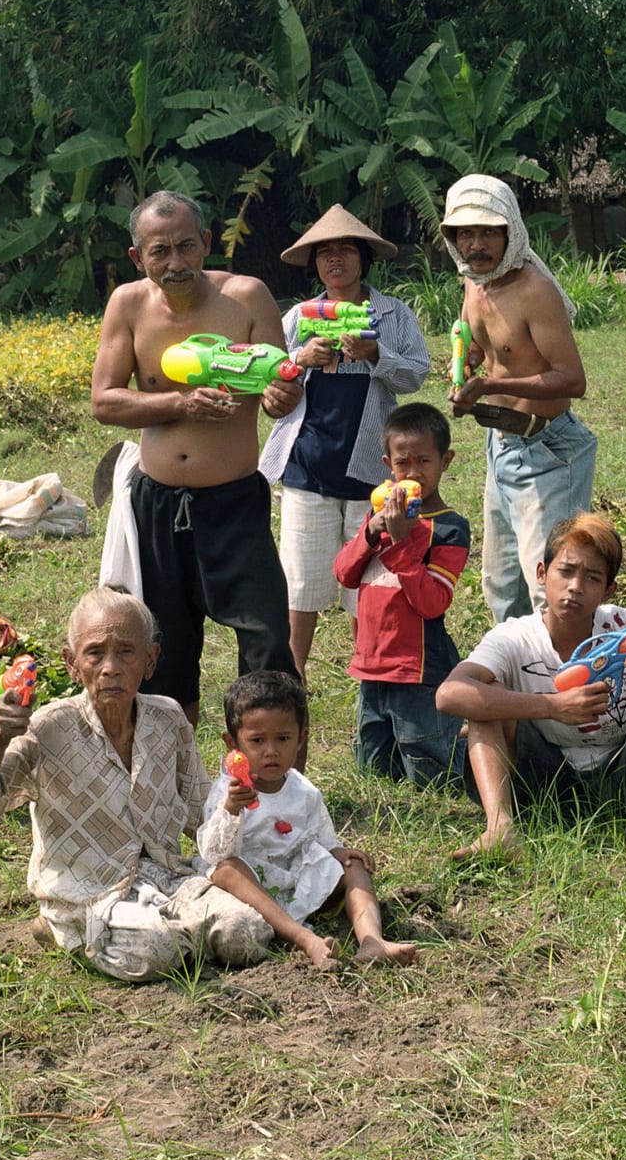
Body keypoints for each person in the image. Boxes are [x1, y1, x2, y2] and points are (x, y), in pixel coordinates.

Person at [0, 589, 276, 983]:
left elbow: (201, 817)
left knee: (248, 933)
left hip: (166, 877)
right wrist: (0, 734)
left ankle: (171, 931)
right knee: (161, 948)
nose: (110, 667)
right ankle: (63, 926)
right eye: (94, 654)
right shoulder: (47, 727)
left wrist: (272, 842)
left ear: (151, 661)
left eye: (126, 652)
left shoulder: (169, 719)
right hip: (88, 893)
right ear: (72, 665)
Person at [91, 190, 303, 722]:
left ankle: (277, 791)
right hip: (157, 505)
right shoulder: (128, 304)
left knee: (268, 640)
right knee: (165, 652)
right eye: (159, 251)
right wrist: (177, 402)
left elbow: (279, 387)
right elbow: (104, 400)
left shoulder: (247, 298)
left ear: (207, 243)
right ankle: (176, 785)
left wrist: (283, 396)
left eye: (187, 246)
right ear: (139, 258)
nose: (176, 263)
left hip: (233, 504)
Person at [437, 512, 626, 871]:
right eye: (566, 571)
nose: (575, 586)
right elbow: (449, 694)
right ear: (541, 574)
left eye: (592, 577)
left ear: (608, 590)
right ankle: (500, 830)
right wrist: (552, 706)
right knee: (484, 696)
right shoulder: (516, 636)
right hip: (542, 782)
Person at [260, 205, 432, 675]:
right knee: (301, 588)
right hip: (307, 467)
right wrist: (300, 357)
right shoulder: (298, 316)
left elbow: (417, 374)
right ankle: (290, 684)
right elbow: (271, 380)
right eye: (325, 253)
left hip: (371, 471)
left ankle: (370, 683)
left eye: (345, 250)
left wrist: (377, 353)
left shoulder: (392, 314)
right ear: (315, 263)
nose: (335, 260)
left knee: (369, 591)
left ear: (363, 259)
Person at [443, 174, 593, 621]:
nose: (477, 244)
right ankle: (518, 685)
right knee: (501, 587)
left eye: (488, 231)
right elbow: (480, 348)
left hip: (547, 450)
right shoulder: (474, 283)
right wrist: (465, 369)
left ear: (510, 231)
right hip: (501, 447)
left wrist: (491, 386)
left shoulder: (534, 290)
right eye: (465, 233)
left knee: (551, 589)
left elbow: (572, 380)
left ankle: (567, 687)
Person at [198, 671, 419, 969]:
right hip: (255, 887)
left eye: (283, 738)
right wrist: (231, 810)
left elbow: (319, 837)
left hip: (296, 877)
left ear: (301, 739)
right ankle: (303, 938)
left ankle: (372, 940)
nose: (271, 751)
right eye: (257, 740)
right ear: (233, 744)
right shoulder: (229, 790)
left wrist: (335, 852)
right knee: (226, 870)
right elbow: (212, 853)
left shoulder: (303, 791)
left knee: (353, 865)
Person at [332, 402, 470, 787]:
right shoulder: (377, 516)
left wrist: (402, 541)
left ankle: (477, 755)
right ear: (387, 465)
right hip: (373, 662)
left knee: (429, 768)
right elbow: (344, 573)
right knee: (372, 764)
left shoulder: (449, 529)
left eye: (424, 462)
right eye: (402, 464)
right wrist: (372, 533)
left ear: (446, 461)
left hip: (418, 667)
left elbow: (432, 602)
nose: (413, 473)